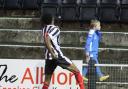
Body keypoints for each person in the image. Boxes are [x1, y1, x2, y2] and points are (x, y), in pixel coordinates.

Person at [41, 13, 85, 89]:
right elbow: (47, 37)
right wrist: (52, 52)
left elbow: (46, 36)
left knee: (47, 81)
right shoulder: (55, 29)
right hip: (57, 56)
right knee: (77, 71)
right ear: (52, 20)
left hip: (48, 58)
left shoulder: (44, 29)